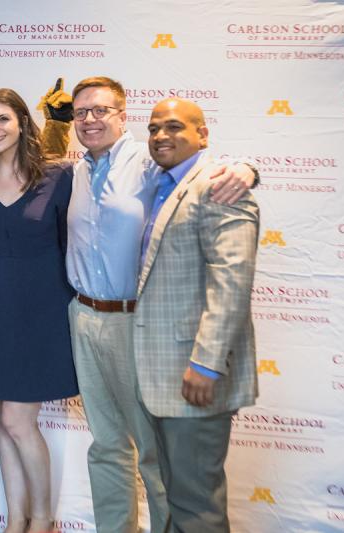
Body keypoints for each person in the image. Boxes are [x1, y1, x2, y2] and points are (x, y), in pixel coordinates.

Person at [63, 77, 257, 533]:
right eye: (81, 113)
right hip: (84, 317)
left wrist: (247, 168)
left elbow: (203, 173)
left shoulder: (148, 161)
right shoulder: (75, 170)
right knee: (106, 444)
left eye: (101, 110)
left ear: (122, 114)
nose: (90, 120)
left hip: (138, 323)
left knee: (154, 453)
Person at [134, 98, 259, 533]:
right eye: (153, 129)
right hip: (162, 373)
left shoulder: (219, 186)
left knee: (197, 505)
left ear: (202, 134)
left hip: (194, 374)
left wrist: (206, 363)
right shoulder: (161, 181)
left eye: (173, 127)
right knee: (176, 495)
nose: (160, 136)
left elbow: (233, 280)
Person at [0, 88, 78, 533]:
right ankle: (15, 520)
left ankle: (44, 521)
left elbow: (75, 244)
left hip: (45, 307)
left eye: (3, 119)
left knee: (17, 419)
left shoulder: (58, 176)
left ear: (23, 123)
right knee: (5, 419)